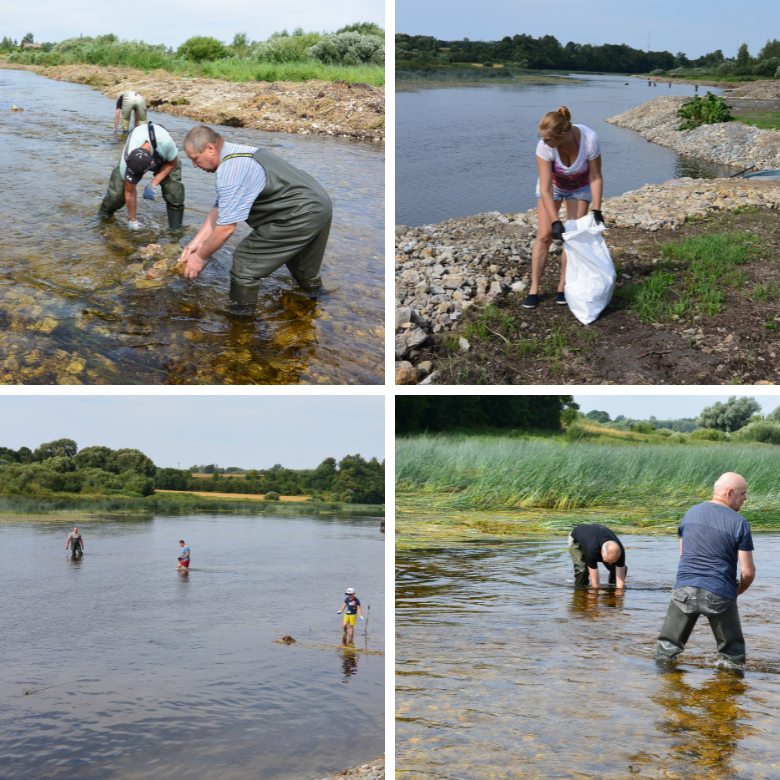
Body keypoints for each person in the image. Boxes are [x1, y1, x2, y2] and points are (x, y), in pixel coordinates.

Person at [178, 125, 332, 304]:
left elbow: (226, 228)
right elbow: (220, 208)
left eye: (195, 159)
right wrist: (197, 243)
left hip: (299, 213)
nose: (195, 166)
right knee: (304, 270)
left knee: (245, 264)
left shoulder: (229, 172)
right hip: (320, 205)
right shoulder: (240, 151)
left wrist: (199, 257)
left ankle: (242, 324)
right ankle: (323, 307)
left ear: (210, 148)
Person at [655, 472, 755, 665]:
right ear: (729, 492)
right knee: (733, 658)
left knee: (665, 652)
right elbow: (748, 572)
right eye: (743, 493)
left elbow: (682, 556)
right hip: (719, 593)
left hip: (684, 590)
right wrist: (737, 590)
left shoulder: (690, 513)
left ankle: (665, 689)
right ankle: (729, 690)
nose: (745, 498)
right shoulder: (740, 523)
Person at [523, 107, 604, 310]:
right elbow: (545, 187)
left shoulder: (589, 139)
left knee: (571, 236)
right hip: (555, 187)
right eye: (542, 138)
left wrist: (597, 210)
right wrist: (555, 221)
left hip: (580, 187)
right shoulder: (544, 148)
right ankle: (534, 288)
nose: (544, 143)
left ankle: (563, 286)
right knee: (544, 235)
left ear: (563, 135)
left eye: (549, 139)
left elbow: (595, 176)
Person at [98, 119, 185, 230]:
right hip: (138, 139)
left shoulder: (166, 144)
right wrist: (133, 221)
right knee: (117, 194)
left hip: (164, 155)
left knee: (174, 192)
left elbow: (172, 164)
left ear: (151, 164)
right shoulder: (127, 159)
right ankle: (101, 219)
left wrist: (154, 183)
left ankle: (175, 231)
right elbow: (130, 192)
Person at [568, 523, 627, 588]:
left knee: (616, 568)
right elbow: (595, 582)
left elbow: (620, 582)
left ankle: (612, 587)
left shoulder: (620, 550)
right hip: (577, 540)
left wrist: (619, 594)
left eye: (613, 561)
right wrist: (595, 595)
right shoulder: (592, 550)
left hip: (595, 536)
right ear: (602, 552)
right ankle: (580, 590)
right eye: (608, 561)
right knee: (582, 570)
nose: (610, 563)